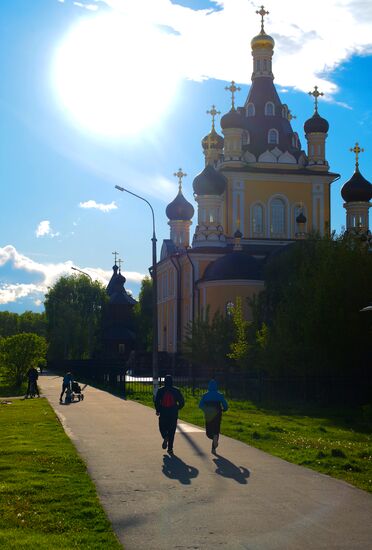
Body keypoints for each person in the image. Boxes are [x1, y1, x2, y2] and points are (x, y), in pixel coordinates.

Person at [155, 374, 184, 455]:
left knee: (162, 427)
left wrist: (158, 410)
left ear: (164, 381)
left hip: (163, 412)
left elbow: (157, 401)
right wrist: (177, 408)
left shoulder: (161, 390)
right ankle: (170, 449)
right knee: (172, 430)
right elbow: (182, 402)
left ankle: (165, 436)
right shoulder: (176, 390)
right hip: (173, 413)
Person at [199, 379, 228, 453]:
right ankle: (213, 448)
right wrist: (224, 409)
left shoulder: (205, 395)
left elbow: (200, 405)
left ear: (209, 386)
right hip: (218, 413)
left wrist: (205, 410)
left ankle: (212, 437)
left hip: (208, 414)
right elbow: (225, 405)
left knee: (208, 431)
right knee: (216, 429)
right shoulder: (220, 395)